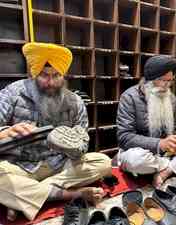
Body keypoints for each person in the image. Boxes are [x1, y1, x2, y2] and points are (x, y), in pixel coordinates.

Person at [0, 42, 111, 221]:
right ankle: (72, 195)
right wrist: (6, 132)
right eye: (44, 75)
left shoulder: (75, 102)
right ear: (34, 73)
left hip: (59, 165)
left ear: (64, 75)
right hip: (19, 165)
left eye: (56, 75)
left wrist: (69, 144)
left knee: (103, 162)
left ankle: (20, 197)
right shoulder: (13, 93)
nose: (50, 82)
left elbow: (83, 146)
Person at [117, 55, 176, 188]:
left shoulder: (171, 98)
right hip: (142, 152)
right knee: (136, 160)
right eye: (162, 80)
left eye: (171, 81)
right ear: (149, 80)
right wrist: (160, 143)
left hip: (167, 153)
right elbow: (124, 137)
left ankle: (164, 172)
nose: (167, 85)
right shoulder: (129, 97)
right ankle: (174, 166)